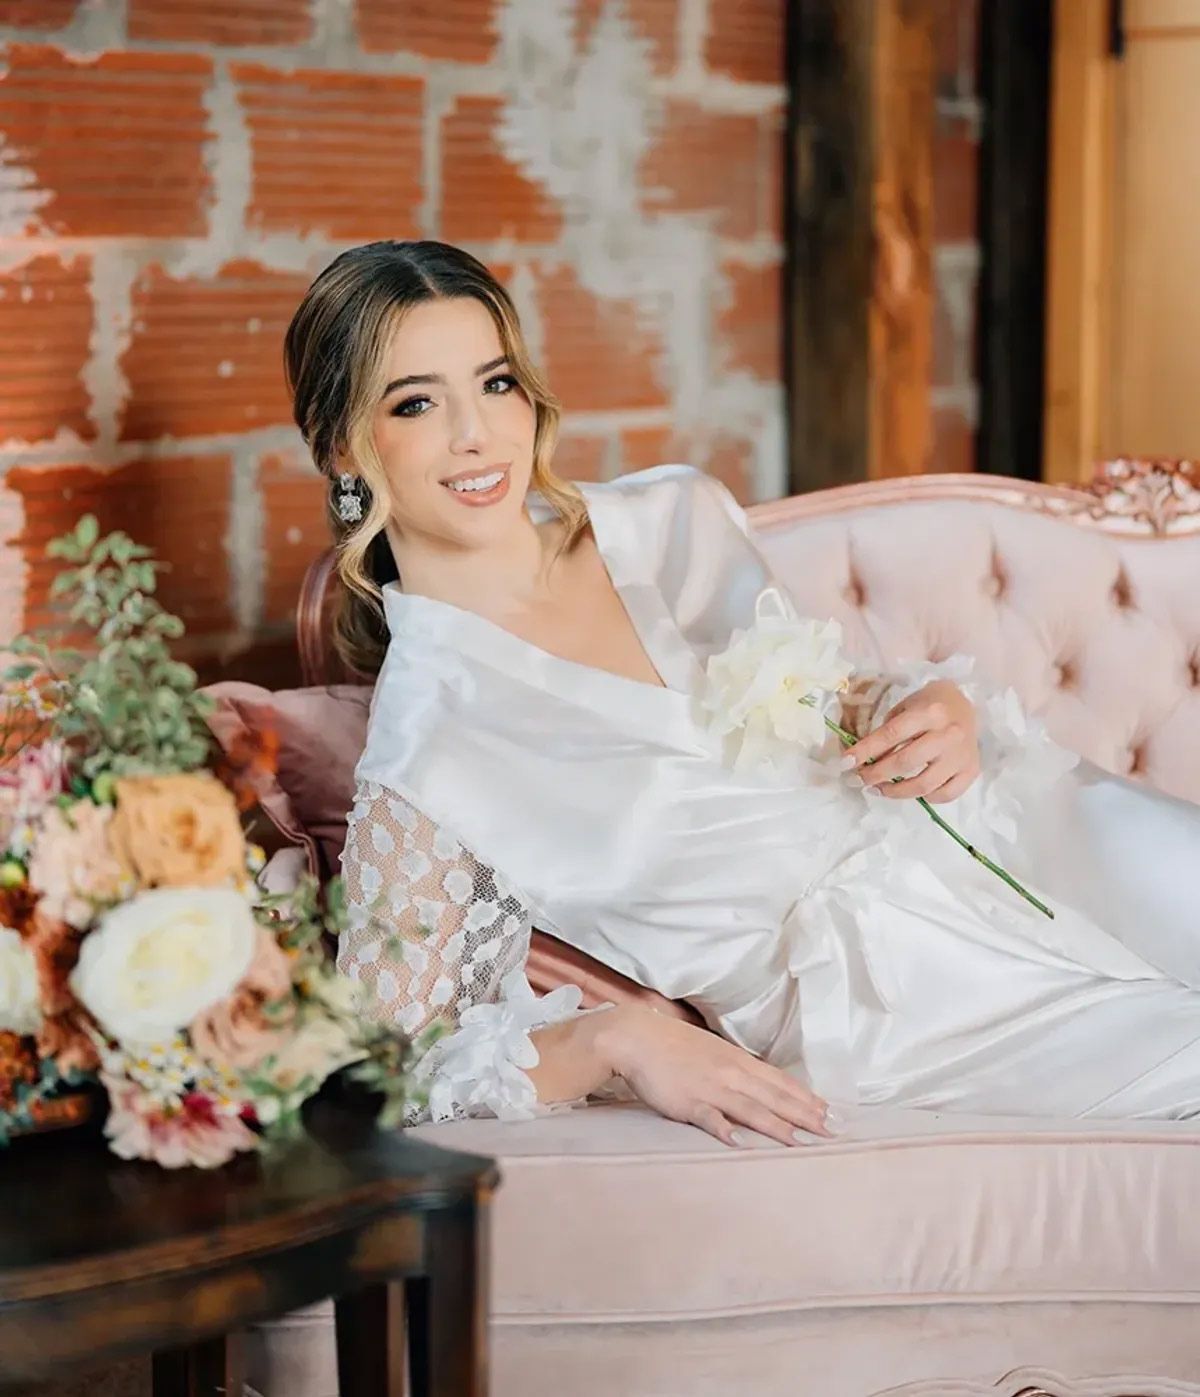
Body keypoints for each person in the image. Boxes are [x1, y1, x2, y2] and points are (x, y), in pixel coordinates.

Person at [283, 239, 1200, 1147]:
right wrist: (610, 1037)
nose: (476, 433)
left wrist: (930, 715)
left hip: (1007, 829)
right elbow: (380, 1066)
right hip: (909, 1010)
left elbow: (836, 695)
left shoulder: (668, 521)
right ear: (344, 451)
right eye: (416, 403)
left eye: (495, 383)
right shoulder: (430, 746)